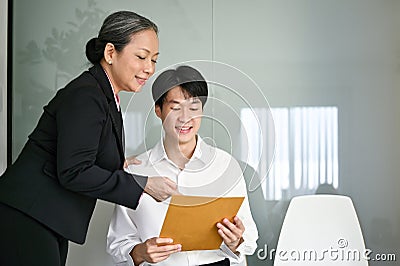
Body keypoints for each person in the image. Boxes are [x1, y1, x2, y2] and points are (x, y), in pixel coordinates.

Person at [0, 11, 179, 266]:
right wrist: (142, 184)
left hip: (41, 218)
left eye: (154, 60)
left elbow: (81, 153)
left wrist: (120, 164)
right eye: (141, 57)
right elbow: (74, 170)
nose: (149, 68)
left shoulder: (103, 95)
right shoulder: (87, 96)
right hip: (27, 216)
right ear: (110, 53)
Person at [106, 65, 259, 266]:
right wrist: (141, 252)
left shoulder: (225, 166)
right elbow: (118, 242)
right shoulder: (136, 169)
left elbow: (249, 238)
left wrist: (235, 241)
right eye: (175, 107)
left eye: (194, 108)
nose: (185, 118)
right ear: (158, 111)